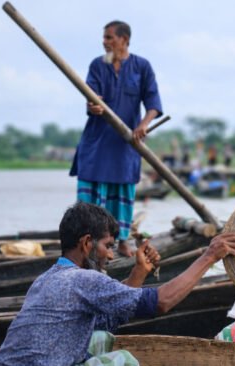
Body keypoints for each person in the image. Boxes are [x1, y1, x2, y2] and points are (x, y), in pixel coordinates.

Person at [0, 202, 235, 366]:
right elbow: (161, 303)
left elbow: (107, 318)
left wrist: (139, 273)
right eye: (107, 246)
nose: (111, 255)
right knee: (126, 364)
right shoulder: (83, 279)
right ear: (87, 243)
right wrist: (209, 256)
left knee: (100, 337)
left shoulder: (48, 277)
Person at [70, 20, 163, 258]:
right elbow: (91, 98)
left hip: (124, 145)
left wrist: (143, 126)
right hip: (97, 144)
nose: (105, 41)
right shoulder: (98, 66)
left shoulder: (141, 67)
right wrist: (93, 106)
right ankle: (86, 245)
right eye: (105, 37)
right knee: (89, 200)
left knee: (121, 198)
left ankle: (121, 242)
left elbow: (153, 104)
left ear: (124, 39)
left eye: (110, 37)